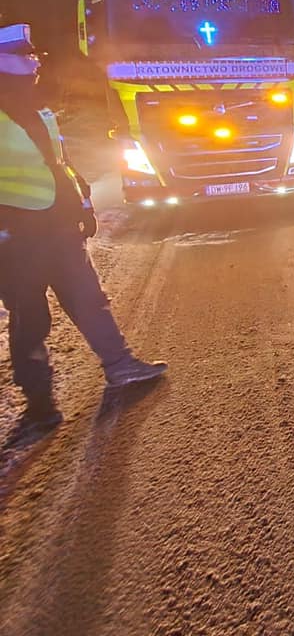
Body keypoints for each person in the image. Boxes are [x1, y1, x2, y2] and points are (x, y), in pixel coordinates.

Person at [0, 24, 167, 443]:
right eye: (28, 57)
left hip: (58, 230)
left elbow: (62, 166)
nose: (36, 64)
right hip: (17, 240)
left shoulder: (38, 110)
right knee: (29, 320)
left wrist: (85, 205)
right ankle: (39, 407)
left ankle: (121, 367)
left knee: (90, 300)